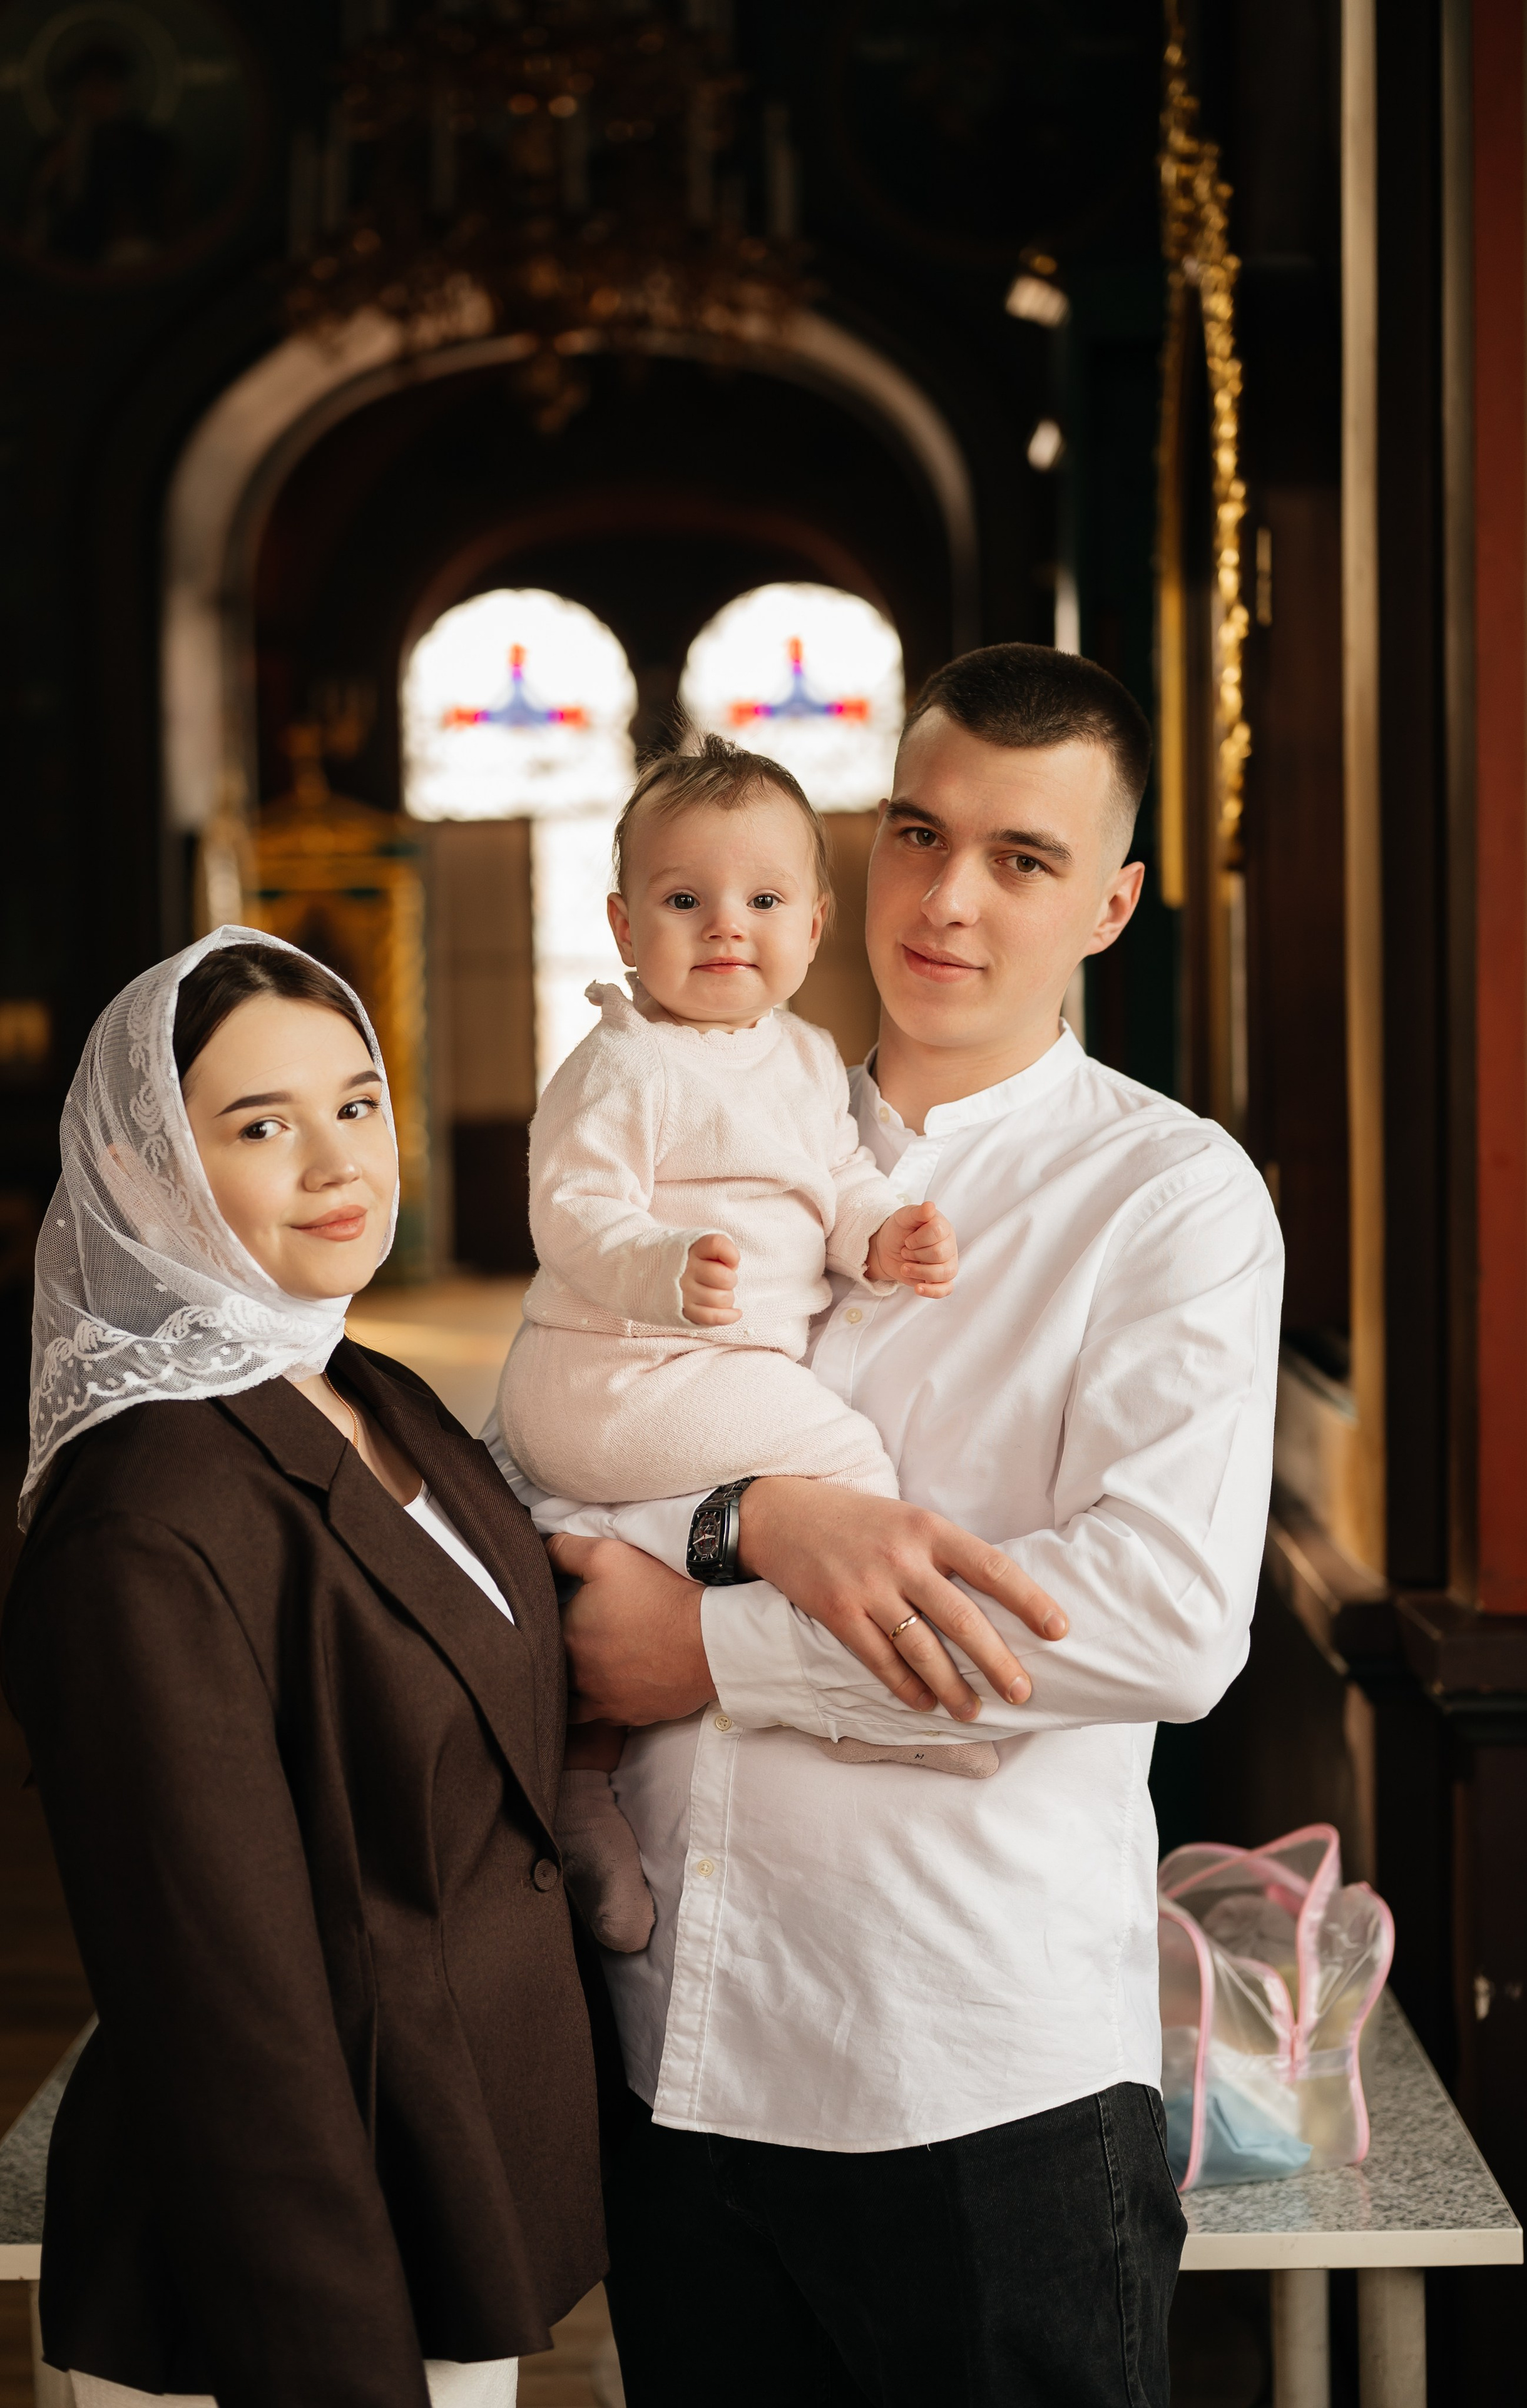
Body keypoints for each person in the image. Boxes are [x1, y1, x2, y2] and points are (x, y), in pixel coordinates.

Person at [517, 645, 1285, 2408]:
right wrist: (756, 1522)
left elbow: (1162, 1620)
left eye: (1021, 859)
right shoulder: (700, 1111)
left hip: (967, 2065)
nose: (947, 898)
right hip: (672, 2055)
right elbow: (553, 1448)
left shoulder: (1171, 1199)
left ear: (1113, 903)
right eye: (920, 834)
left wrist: (702, 1641)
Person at [4, 929, 604, 2408]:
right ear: (150, 1171)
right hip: (288, 2286)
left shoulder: (363, 1387)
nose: (337, 1159)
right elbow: (228, 2014)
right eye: (259, 1126)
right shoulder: (143, 1519)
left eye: (354, 1102)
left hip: (443, 2201)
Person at [497, 735, 1029, 1951]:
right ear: (625, 925)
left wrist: (877, 1235)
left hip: (698, 1378)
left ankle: (580, 1782)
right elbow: (569, 1210)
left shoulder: (796, 1058)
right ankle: (906, 1691)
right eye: (684, 901)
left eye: (762, 900)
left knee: (672, 1552)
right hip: (619, 1368)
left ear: (814, 923)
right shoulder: (624, 1059)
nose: (724, 926)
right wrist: (661, 1267)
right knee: (847, 1466)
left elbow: (830, 1181)